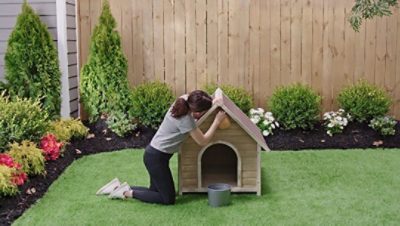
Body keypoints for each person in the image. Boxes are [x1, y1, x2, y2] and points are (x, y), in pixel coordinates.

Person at [96, 90, 227, 205]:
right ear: (196, 111)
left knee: (154, 191)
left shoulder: (184, 99)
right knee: (168, 199)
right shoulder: (186, 120)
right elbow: (203, 141)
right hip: (157, 158)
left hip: (153, 154)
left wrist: (213, 101)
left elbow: (198, 106)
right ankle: (125, 193)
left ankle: (117, 186)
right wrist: (216, 121)